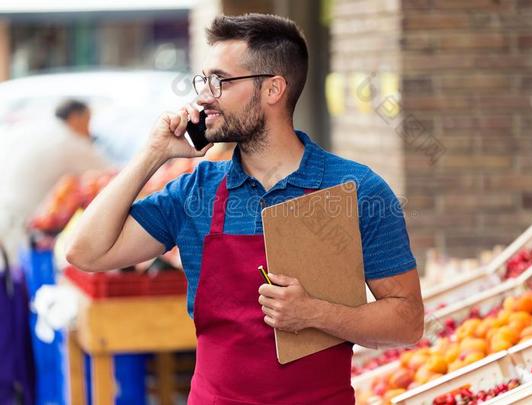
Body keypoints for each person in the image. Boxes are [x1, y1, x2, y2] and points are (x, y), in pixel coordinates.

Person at [67, 14, 424, 404]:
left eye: (220, 81)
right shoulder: (195, 192)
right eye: (203, 81)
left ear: (272, 89)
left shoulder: (357, 191)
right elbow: (85, 252)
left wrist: (316, 314)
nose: (204, 96)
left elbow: (407, 322)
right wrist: (153, 154)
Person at [0, 99, 110, 265]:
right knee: (16, 281)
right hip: (19, 225)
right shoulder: (70, 142)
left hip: (7, 213)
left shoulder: (33, 128)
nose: (90, 130)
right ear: (75, 118)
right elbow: (111, 174)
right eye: (88, 121)